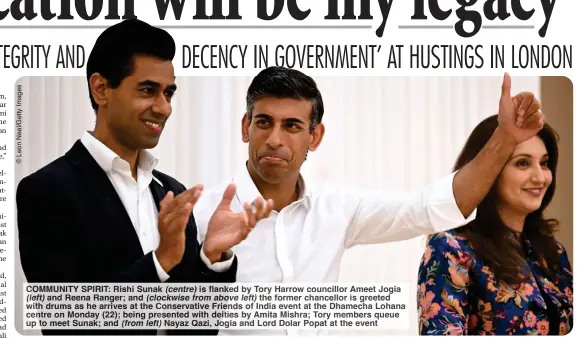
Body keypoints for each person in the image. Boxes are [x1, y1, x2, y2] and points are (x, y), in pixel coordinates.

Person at [193, 66, 545, 335]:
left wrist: (504, 140)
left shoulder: (337, 209)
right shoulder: (198, 211)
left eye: (292, 126)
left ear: (315, 136)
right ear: (245, 127)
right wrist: (210, 260)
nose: (274, 139)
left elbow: (428, 208)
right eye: (263, 122)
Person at [16, 19, 273, 336]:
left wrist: (211, 257)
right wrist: (161, 261)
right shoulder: (47, 190)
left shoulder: (171, 192)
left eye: (169, 93)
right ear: (101, 89)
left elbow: (195, 329)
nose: (164, 107)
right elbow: (67, 322)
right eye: (148, 90)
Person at [417, 116, 572, 335]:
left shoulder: (553, 252)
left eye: (544, 163)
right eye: (523, 163)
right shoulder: (451, 248)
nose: (541, 177)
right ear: (488, 171)